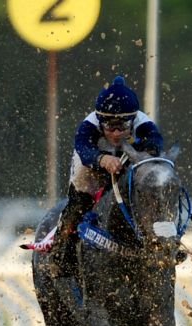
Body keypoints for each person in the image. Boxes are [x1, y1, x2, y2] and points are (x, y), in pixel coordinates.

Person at [48, 76, 164, 277]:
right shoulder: (89, 124)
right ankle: (60, 254)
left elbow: (156, 142)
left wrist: (143, 154)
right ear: (100, 122)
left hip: (124, 162)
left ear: (133, 119)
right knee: (79, 204)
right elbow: (83, 149)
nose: (117, 133)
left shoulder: (142, 121)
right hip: (90, 167)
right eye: (110, 127)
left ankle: (162, 245)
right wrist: (103, 160)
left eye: (124, 126)